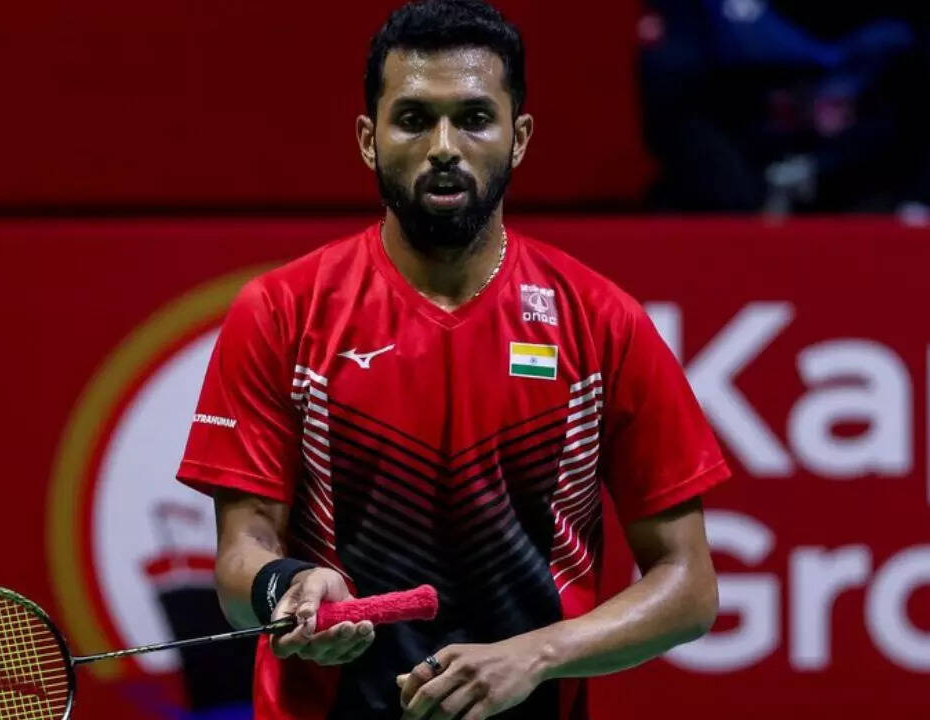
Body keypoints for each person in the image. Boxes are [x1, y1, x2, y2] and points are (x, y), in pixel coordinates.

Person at [176, 1, 729, 718]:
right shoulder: (283, 311)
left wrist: (537, 654)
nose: (443, 146)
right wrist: (286, 586)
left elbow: (689, 585)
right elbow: (239, 554)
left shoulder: (600, 322)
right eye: (413, 119)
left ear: (518, 138)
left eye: (473, 118)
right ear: (369, 140)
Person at [639, 0, 930, 216]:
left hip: (899, 197)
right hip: (736, 196)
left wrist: (919, 208)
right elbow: (675, 109)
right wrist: (749, 212)